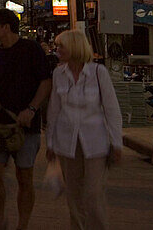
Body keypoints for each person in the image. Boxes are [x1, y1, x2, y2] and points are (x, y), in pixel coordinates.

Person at [0, 8, 53, 230]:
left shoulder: (31, 49)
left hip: (26, 126)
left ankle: (23, 225)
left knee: (24, 177)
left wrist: (32, 108)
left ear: (6, 27)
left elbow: (45, 82)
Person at [46, 29, 122, 230]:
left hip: (95, 142)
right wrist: (50, 143)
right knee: (74, 195)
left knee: (93, 194)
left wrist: (117, 142)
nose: (58, 49)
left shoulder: (98, 73)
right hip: (67, 142)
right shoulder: (58, 74)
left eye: (61, 46)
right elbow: (54, 109)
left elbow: (112, 109)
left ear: (74, 47)